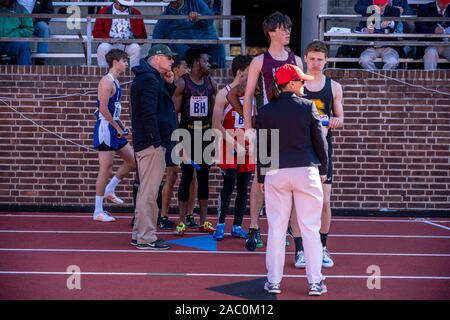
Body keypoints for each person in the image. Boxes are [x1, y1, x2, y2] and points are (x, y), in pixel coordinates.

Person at [230, 11, 303, 251]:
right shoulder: (259, 61)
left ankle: (279, 228)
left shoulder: (296, 60)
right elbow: (249, 94)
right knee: (262, 177)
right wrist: (249, 128)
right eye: (283, 28)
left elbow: (303, 95)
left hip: (291, 127)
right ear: (272, 32)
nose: (288, 32)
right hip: (267, 125)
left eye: (289, 28)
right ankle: (253, 227)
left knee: (288, 179)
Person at [257, 64, 328, 296]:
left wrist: (260, 175)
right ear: (291, 84)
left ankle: (274, 281)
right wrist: (324, 168)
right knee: (310, 228)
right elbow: (320, 141)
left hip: (276, 172)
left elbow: (263, 147)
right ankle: (315, 282)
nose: (304, 84)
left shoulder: (266, 111)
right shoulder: (308, 107)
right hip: (305, 170)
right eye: (301, 81)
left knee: (277, 229)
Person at [293, 40, 344, 269]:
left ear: (326, 61)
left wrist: (335, 120)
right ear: (305, 58)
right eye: (312, 59)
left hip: (322, 149)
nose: (315, 63)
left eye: (320, 59)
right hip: (297, 149)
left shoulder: (333, 87)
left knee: (324, 201)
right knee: (297, 201)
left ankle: (322, 246)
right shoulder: (296, 84)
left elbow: (340, 118)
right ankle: (300, 250)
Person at [130, 44, 178, 250]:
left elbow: (158, 106)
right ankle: (146, 237)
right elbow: (148, 113)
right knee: (149, 193)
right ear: (157, 58)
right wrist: (156, 141)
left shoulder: (150, 78)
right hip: (151, 144)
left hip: (148, 142)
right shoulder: (149, 79)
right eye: (168, 58)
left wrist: (169, 85)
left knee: (145, 191)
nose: (172, 61)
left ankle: (139, 234)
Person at [172, 48, 218, 236]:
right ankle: (181, 221)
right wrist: (178, 140)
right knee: (186, 177)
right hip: (187, 134)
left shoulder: (211, 84)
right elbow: (174, 113)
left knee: (204, 178)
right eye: (206, 61)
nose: (209, 65)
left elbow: (215, 114)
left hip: (206, 135)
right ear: (198, 62)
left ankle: (204, 220)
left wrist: (215, 137)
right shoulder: (182, 84)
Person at [212, 55, 254, 241]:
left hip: (248, 144)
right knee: (228, 185)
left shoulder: (253, 93)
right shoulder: (224, 93)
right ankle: (220, 224)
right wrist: (234, 143)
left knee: (244, 187)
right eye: (250, 71)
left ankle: (237, 225)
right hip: (230, 143)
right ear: (240, 72)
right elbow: (215, 124)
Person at [92, 49, 135, 222]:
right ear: (115, 62)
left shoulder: (116, 82)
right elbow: (103, 108)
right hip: (106, 128)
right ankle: (98, 210)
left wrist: (121, 126)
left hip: (114, 127)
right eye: (124, 61)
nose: (126, 64)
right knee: (106, 168)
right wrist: (116, 127)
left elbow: (113, 110)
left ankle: (110, 189)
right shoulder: (106, 82)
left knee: (132, 160)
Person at [158, 57, 197, 230]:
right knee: (171, 175)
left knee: (192, 175)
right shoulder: (172, 87)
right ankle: (163, 215)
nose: (187, 70)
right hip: (174, 135)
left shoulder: (187, 86)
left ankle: (189, 214)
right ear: (176, 69)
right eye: (184, 67)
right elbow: (171, 113)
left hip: (185, 134)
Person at [153, 0, 226, 68]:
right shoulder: (165, 16)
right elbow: (156, 38)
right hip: (183, 45)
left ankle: (218, 73)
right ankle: (182, 74)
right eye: (172, 2)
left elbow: (209, 18)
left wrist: (200, 17)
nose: (175, 3)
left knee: (218, 45)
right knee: (175, 47)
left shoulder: (197, 2)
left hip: (205, 39)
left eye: (176, 1)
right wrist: (154, 55)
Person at [93, 0, 147, 68]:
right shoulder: (104, 11)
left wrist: (132, 40)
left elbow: (143, 36)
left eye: (127, 6)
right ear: (116, 1)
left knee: (136, 48)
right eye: (122, 5)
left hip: (127, 44)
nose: (124, 7)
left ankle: (134, 72)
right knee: (102, 48)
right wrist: (110, 40)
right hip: (110, 43)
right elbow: (96, 32)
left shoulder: (136, 13)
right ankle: (104, 72)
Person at [355, 0, 402, 70]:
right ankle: (376, 77)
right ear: (373, 3)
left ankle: (382, 78)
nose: (379, 7)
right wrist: (365, 30)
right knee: (364, 60)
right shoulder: (369, 10)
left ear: (387, 3)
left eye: (382, 5)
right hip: (371, 46)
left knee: (392, 62)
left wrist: (390, 22)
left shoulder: (394, 11)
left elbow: (398, 27)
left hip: (388, 46)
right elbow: (359, 28)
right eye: (377, 5)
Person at [415, 0, 450, 70]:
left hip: (447, 44)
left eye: (446, 4)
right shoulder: (424, 8)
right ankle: (429, 79)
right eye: (442, 3)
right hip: (430, 44)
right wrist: (434, 30)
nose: (444, 5)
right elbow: (419, 27)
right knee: (431, 54)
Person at [17, 0, 54, 65]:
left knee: (44, 27)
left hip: (35, 22)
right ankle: (18, 58)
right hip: (19, 23)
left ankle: (40, 60)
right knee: (15, 29)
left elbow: (49, 12)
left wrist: (36, 17)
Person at [0, 0, 33, 65]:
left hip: (12, 43)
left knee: (23, 46)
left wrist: (15, 34)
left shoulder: (21, 9)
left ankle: (24, 73)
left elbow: (29, 29)